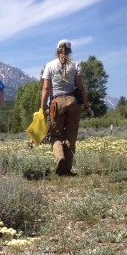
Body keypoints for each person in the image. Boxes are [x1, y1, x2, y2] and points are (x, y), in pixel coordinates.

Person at [41, 39, 93, 176]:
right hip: (72, 101)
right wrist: (87, 107)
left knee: (55, 134)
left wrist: (41, 108)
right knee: (71, 136)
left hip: (56, 103)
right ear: (69, 51)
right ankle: (67, 169)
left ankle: (59, 158)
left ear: (57, 50)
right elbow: (81, 88)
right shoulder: (76, 65)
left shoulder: (50, 65)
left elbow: (46, 88)